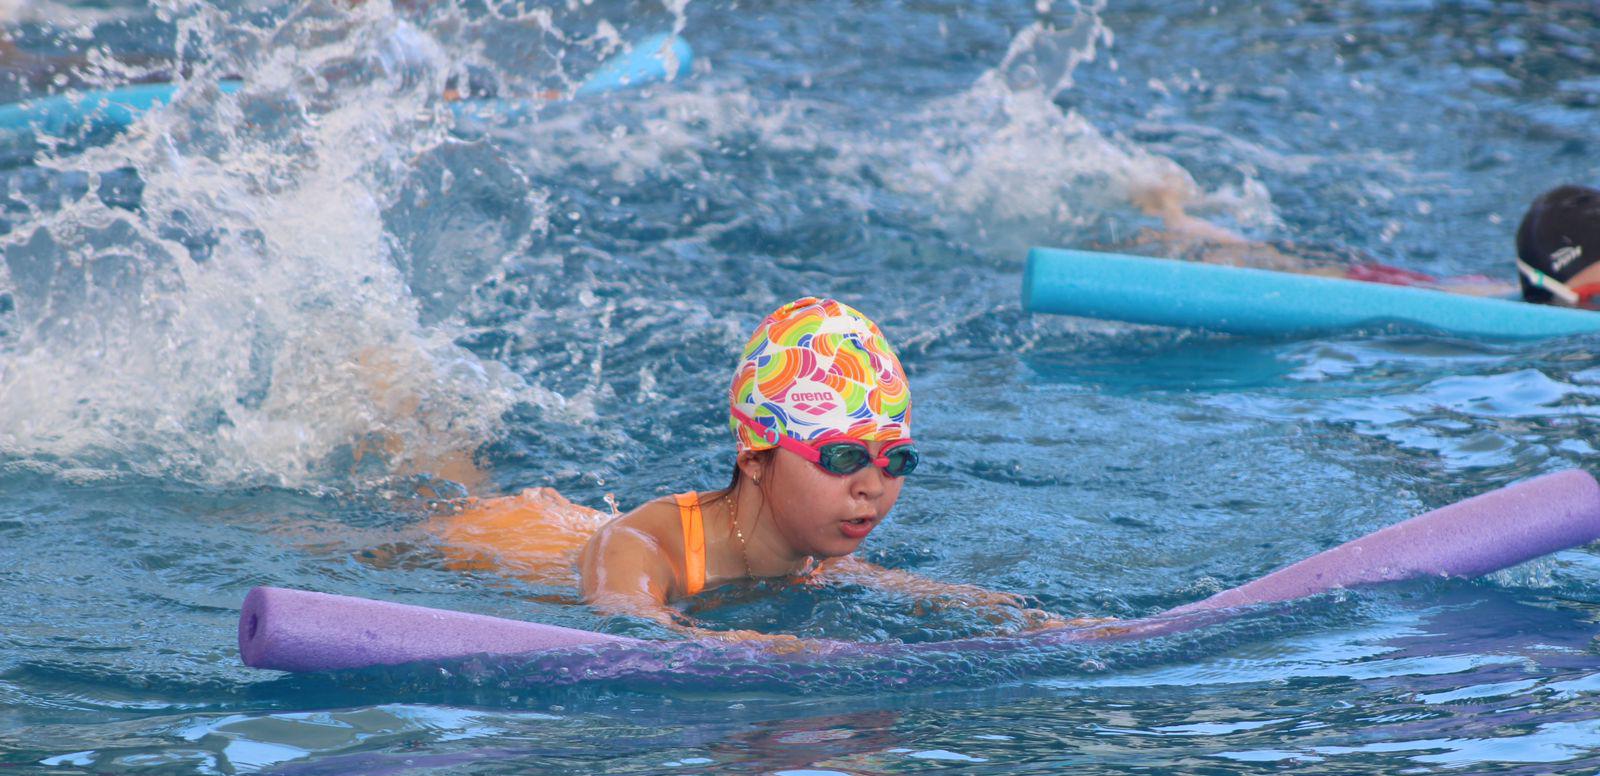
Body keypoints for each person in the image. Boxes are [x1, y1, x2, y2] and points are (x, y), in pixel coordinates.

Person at [430, 297, 1066, 637]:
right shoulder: (640, 546)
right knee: (441, 484)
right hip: (464, 538)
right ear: (757, 460)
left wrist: (1047, 625)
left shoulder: (810, 549)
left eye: (895, 459)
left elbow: (918, 593)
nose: (873, 485)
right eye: (842, 457)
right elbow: (632, 626)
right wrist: (765, 651)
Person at [1131, 177, 1600, 305]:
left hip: (1449, 281)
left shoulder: (1557, 297)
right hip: (1385, 284)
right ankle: (1170, 211)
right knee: (1261, 260)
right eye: (1596, 298)